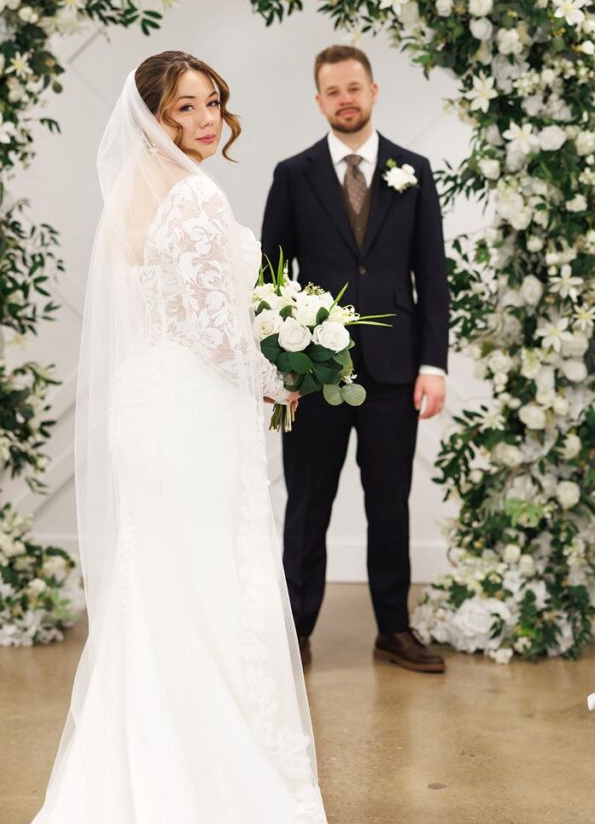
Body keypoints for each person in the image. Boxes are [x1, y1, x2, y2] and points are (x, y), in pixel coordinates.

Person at [31, 51, 327, 823]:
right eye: (183, 109)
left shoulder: (127, 190)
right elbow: (210, 328)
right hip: (190, 407)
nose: (205, 121)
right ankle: (209, 776)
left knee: (160, 582)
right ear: (153, 118)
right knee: (206, 584)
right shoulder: (193, 196)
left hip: (148, 404)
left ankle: (138, 762)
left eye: (212, 104)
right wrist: (276, 378)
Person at [261, 44, 449, 674]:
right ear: (319, 101)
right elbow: (271, 276)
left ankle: (394, 630)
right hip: (314, 375)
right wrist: (280, 371)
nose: (345, 98)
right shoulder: (293, 174)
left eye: (354, 87)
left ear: (374, 92)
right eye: (332, 90)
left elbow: (433, 278)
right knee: (307, 504)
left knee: (388, 503)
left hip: (396, 373)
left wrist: (435, 364)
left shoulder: (413, 171)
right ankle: (297, 633)